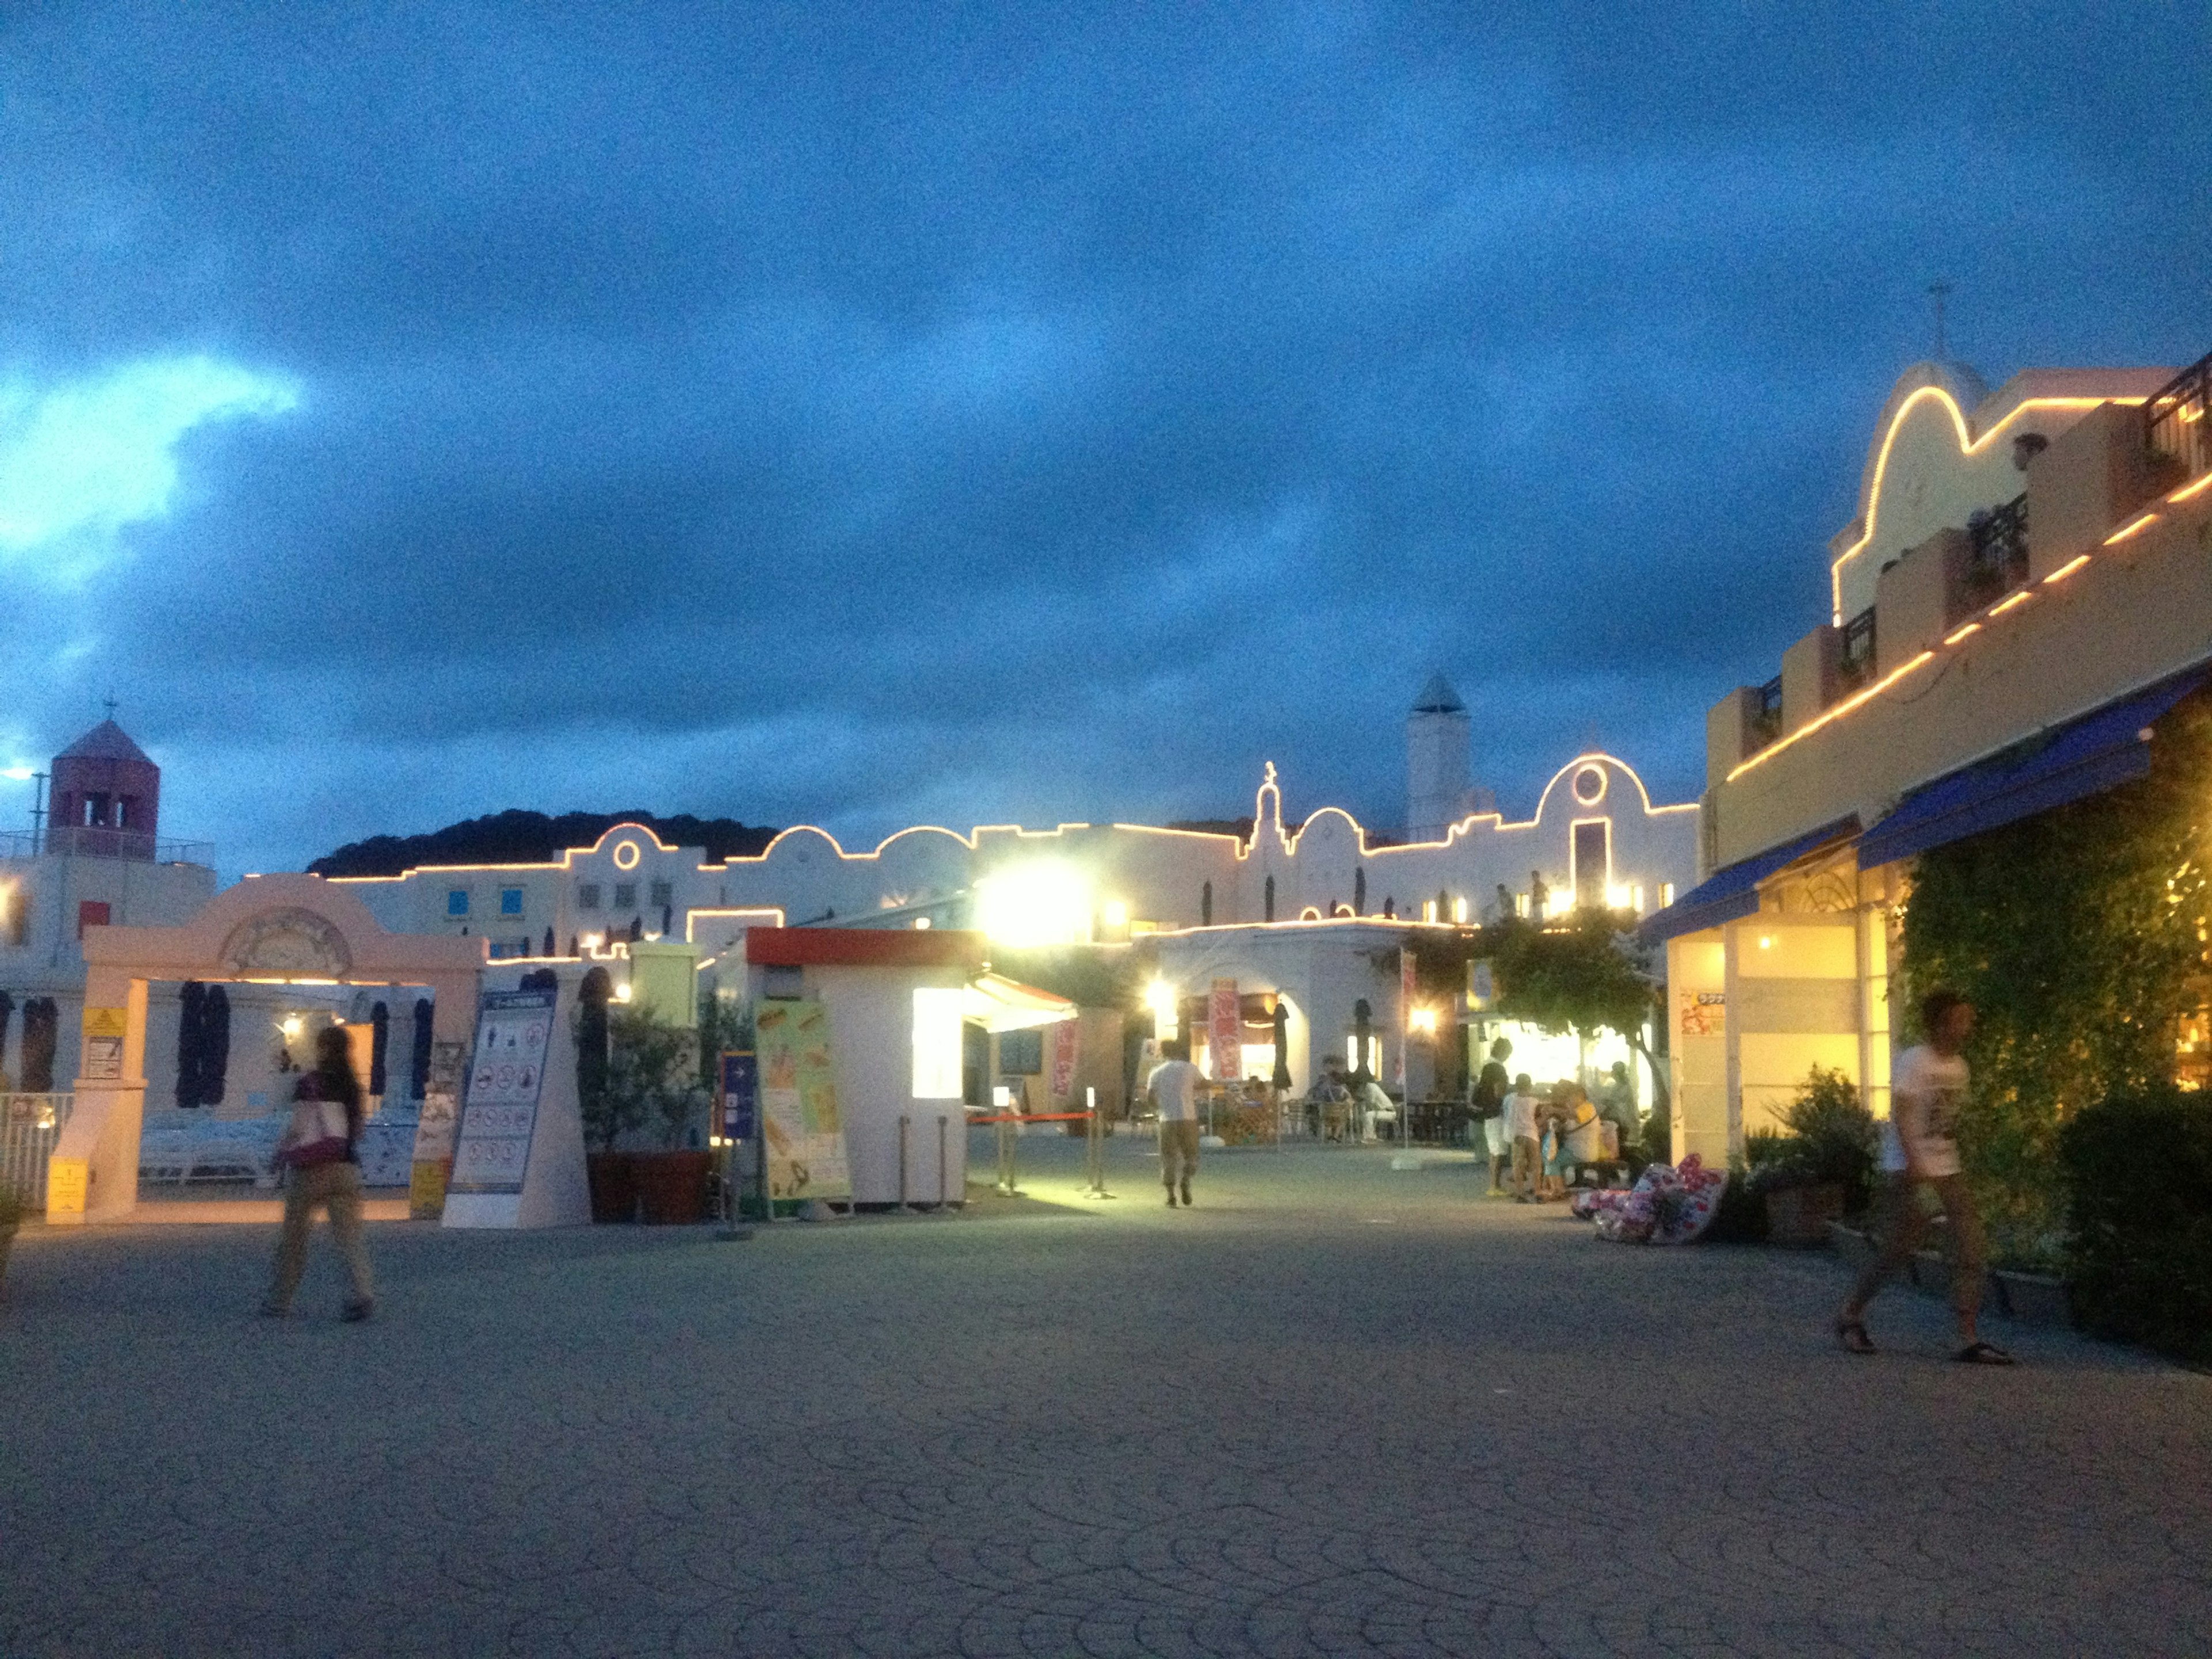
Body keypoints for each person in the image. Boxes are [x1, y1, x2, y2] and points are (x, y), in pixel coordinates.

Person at [1834, 990, 2013, 1364]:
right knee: (1899, 1249)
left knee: (1971, 1247)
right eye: (1962, 1019)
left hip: (1949, 1170)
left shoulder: (1959, 1068)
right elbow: (1901, 1113)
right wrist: (1914, 1164)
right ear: (1942, 1023)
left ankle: (1966, 1337)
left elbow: (1946, 1120)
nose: (1969, 1026)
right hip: (1909, 1171)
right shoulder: (1915, 1062)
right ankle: (1851, 1313)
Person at [263, 1025, 376, 1321]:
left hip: (311, 1172)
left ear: (324, 1049)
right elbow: (359, 1132)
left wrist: (281, 1153)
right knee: (350, 1239)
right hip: (347, 1170)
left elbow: (299, 1127)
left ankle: (280, 1300)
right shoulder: (353, 1087)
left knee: (295, 1239)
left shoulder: (310, 1082)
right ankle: (361, 1292)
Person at [1147, 1038, 1204, 1207]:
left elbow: (1150, 1098)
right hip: (1188, 1118)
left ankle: (1171, 1196)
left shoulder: (1156, 1072)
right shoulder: (1190, 1069)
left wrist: (1160, 1109)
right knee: (1191, 1155)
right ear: (1179, 1051)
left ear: (1163, 1053)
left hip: (1167, 1120)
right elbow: (1205, 1083)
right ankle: (1186, 1180)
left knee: (1168, 1157)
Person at [1473, 1037, 1512, 1192]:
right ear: (1504, 1052)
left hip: (1488, 1112)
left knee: (1493, 1150)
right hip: (1496, 1111)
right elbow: (1498, 1091)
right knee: (1499, 1151)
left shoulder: (1487, 1066)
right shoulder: (1497, 1068)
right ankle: (1495, 1186)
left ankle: (1494, 1185)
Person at [1502, 1072, 1541, 1202]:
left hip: (1516, 1134)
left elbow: (1505, 1113)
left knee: (1517, 1164)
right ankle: (1537, 1192)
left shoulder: (1509, 1099)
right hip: (1531, 1133)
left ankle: (1520, 1193)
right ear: (1530, 1085)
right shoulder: (1535, 1102)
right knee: (1536, 1164)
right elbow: (1538, 1119)